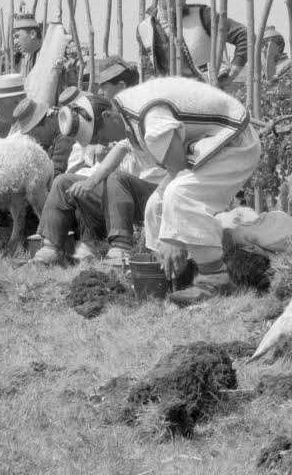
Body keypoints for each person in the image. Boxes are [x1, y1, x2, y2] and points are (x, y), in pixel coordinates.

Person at [111, 74, 262, 305]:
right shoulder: (131, 109)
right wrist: (167, 236)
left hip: (235, 142)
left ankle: (215, 279)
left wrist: (171, 239)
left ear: (105, 117)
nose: (99, 142)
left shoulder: (150, 119)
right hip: (212, 144)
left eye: (94, 135)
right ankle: (170, 275)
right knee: (155, 205)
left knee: (180, 194)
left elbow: (177, 171)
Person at [32, 90, 165, 265]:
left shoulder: (145, 121)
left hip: (159, 192)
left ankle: (121, 248)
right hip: (128, 195)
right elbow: (120, 149)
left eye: (98, 136)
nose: (100, 142)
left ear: (107, 116)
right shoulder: (126, 130)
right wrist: (90, 182)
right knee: (63, 182)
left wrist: (92, 181)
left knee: (116, 178)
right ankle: (50, 249)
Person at [137, 0, 248, 82]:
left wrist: (231, 76)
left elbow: (245, 36)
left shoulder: (203, 16)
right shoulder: (144, 30)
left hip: (206, 94)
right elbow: (147, 72)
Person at [12, 12, 43, 82]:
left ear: (32, 34)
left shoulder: (47, 57)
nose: (15, 42)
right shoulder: (26, 57)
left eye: (17, 36)